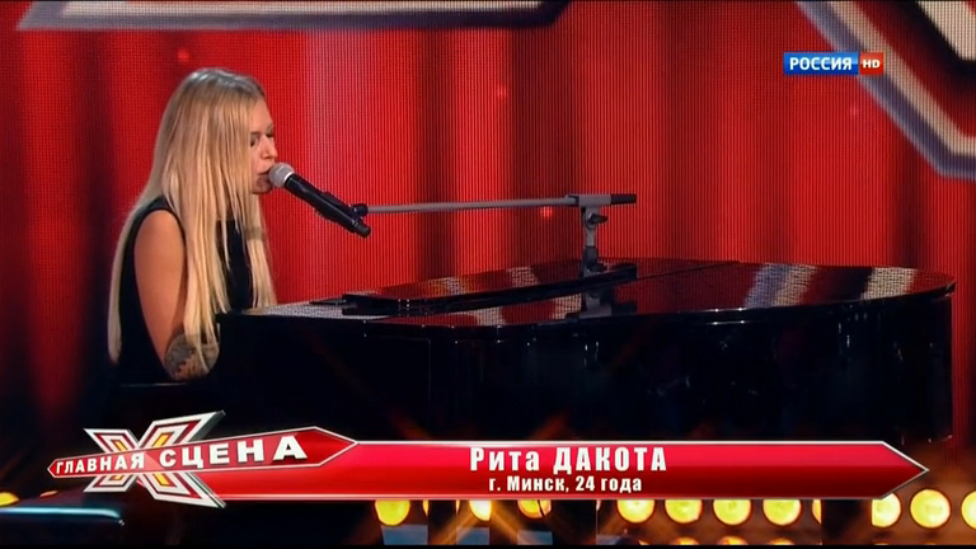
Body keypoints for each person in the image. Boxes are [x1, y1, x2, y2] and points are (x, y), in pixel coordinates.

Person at [106, 68, 279, 383]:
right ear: (208, 148)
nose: (271, 152)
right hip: (168, 413)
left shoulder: (238, 225)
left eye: (270, 135)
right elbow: (182, 362)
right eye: (252, 141)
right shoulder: (162, 226)